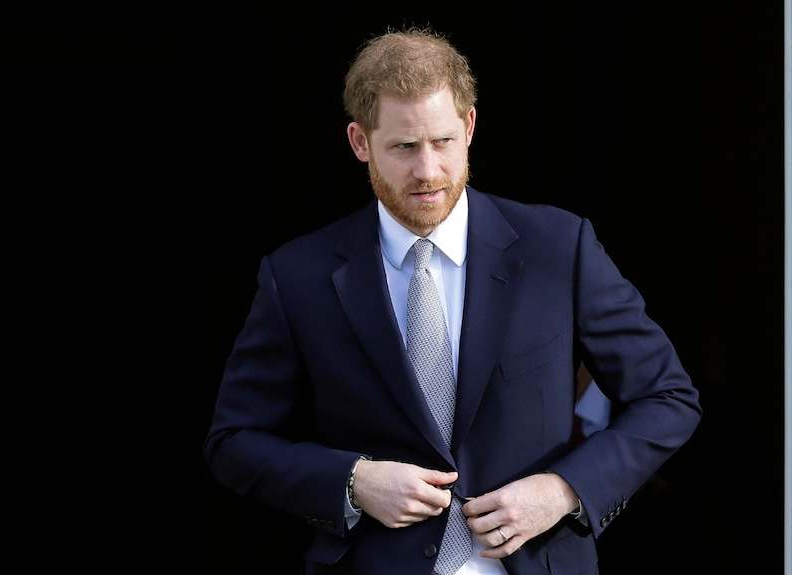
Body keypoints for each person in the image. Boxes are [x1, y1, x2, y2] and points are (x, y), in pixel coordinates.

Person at [204, 26, 702, 575]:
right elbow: (234, 441)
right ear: (359, 142)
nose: (428, 171)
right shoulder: (296, 276)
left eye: (442, 141)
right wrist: (351, 481)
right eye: (403, 147)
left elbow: (667, 398)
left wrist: (563, 490)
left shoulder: (559, 248)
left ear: (469, 126)